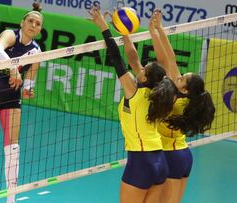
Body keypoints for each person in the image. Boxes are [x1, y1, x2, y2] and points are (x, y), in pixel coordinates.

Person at [88, 6, 176, 203]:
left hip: (140, 162)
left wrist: (103, 26)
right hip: (160, 161)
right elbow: (134, 59)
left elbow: (116, 57)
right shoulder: (161, 92)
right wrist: (126, 35)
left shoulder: (133, 91)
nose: (141, 67)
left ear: (145, 77)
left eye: (144, 69)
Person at [0, 3, 43, 203]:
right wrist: (13, 68)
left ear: (40, 30)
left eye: (37, 24)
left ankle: (11, 199)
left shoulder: (36, 51)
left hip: (12, 95)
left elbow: (31, 75)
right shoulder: (10, 35)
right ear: (22, 23)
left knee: (13, 146)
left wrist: (29, 88)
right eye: (30, 21)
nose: (33, 25)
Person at [149, 10, 215, 203]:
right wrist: (158, 29)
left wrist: (157, 30)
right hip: (184, 155)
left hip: (169, 156)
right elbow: (169, 59)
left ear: (185, 89)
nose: (178, 76)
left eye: (182, 78)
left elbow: (167, 61)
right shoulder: (189, 100)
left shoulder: (172, 100)